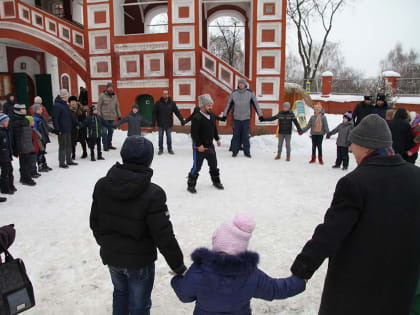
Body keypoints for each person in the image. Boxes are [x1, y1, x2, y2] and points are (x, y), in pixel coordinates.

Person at [291, 114, 420, 315]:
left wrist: (302, 269)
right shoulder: (416, 177)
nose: (350, 148)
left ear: (367, 146)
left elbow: (330, 233)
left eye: (354, 144)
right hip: (400, 286)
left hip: (358, 286)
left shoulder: (355, 183)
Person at [90, 135, 186, 315]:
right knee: (138, 305)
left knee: (120, 294)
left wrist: (108, 244)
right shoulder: (153, 194)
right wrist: (178, 265)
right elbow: (163, 235)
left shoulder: (102, 185)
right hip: (139, 262)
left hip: (113, 257)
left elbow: (94, 222)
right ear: (149, 162)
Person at [171, 213, 306, 314]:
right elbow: (275, 289)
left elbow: (184, 295)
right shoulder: (251, 274)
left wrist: (177, 279)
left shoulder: (198, 271)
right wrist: (299, 281)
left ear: (217, 243)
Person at [187, 94, 223, 194]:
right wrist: (199, 145)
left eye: (211, 105)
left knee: (214, 164)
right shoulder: (197, 117)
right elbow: (194, 133)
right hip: (199, 147)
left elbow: (214, 128)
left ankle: (216, 181)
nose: (210, 107)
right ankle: (191, 184)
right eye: (208, 105)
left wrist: (217, 139)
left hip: (210, 145)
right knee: (197, 167)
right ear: (202, 106)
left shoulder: (211, 115)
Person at [222, 79, 264, 158]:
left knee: (245, 136)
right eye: (239, 83)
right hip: (237, 118)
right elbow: (229, 105)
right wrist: (225, 115)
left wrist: (260, 115)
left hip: (246, 118)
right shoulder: (234, 93)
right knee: (236, 135)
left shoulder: (250, 93)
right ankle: (235, 151)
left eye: (242, 84)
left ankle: (247, 152)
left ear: (245, 85)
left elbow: (256, 104)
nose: (241, 85)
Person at [152, 90, 185, 155]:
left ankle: (169, 149)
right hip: (160, 123)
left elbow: (177, 112)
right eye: (164, 94)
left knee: (169, 137)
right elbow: (154, 113)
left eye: (166, 94)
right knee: (160, 137)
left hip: (169, 123)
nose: (165, 95)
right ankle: (160, 149)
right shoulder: (158, 103)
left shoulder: (172, 103)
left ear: (168, 95)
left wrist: (181, 119)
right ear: (162, 95)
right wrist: (153, 122)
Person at [53, 89, 78, 169]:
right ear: (64, 96)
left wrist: (76, 122)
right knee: (62, 146)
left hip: (68, 128)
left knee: (68, 145)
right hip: (62, 129)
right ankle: (62, 162)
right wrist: (57, 129)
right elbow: (55, 118)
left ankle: (69, 159)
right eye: (67, 96)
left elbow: (70, 115)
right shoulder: (57, 105)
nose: (68, 97)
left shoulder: (65, 105)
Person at [11, 104, 36, 186]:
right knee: (24, 163)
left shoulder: (25, 119)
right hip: (22, 146)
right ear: (18, 110)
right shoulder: (16, 121)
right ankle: (26, 178)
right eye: (22, 109)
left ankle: (25, 177)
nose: (25, 110)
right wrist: (17, 148)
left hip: (27, 144)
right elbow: (17, 137)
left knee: (27, 162)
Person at [97, 83, 121, 151]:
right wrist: (99, 115)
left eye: (111, 87)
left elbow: (117, 106)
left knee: (111, 132)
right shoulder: (102, 95)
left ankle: (109, 144)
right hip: (104, 118)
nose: (111, 89)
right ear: (107, 88)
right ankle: (105, 146)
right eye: (109, 87)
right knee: (104, 132)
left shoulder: (115, 96)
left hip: (112, 117)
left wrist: (119, 115)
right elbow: (99, 106)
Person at [33, 104, 52, 172]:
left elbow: (46, 126)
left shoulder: (41, 117)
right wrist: (39, 136)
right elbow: (35, 130)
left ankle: (44, 164)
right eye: (40, 109)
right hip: (39, 138)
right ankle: (40, 165)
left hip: (44, 136)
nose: (41, 110)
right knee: (40, 152)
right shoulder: (35, 119)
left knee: (43, 151)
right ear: (37, 110)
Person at [0, 114, 15, 196]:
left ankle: (10, 185)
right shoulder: (1, 132)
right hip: (2, 155)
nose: (8, 122)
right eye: (6, 121)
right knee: (5, 172)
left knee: (10, 170)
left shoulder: (6, 130)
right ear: (2, 122)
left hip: (7, 154)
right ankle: (5, 188)